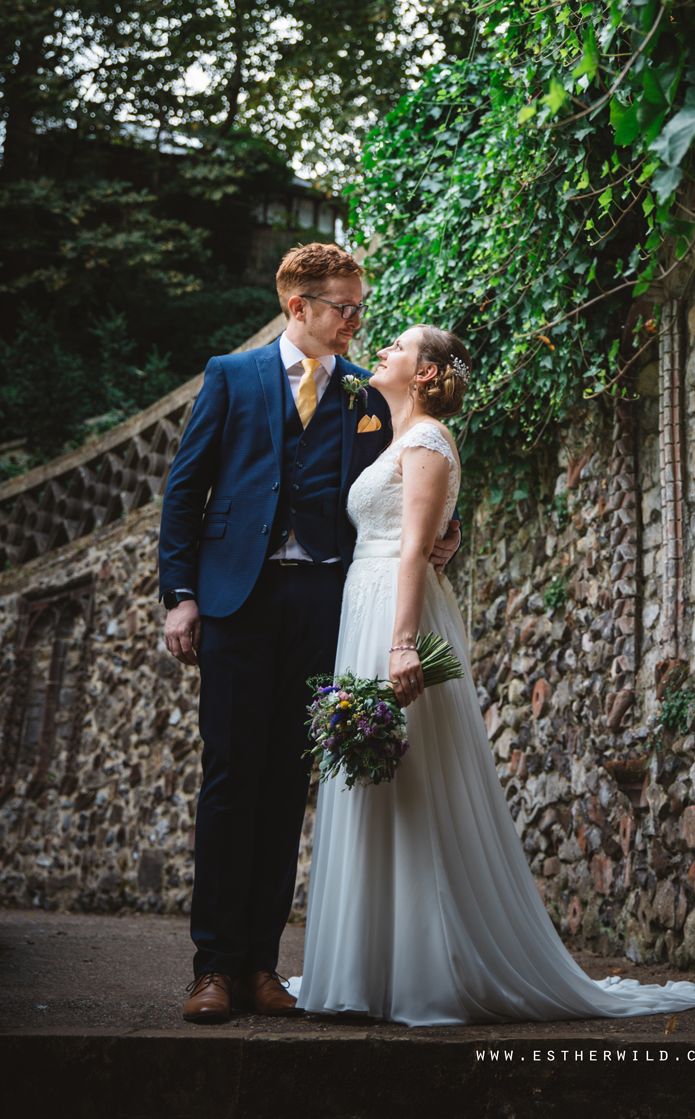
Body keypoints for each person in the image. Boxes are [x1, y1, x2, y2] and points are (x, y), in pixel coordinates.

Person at [295, 323, 695, 1024]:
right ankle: (366, 966)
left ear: (426, 373)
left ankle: (421, 970)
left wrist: (403, 644)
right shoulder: (403, 440)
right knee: (377, 776)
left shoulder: (428, 442)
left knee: (410, 779)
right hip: (369, 603)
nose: (382, 349)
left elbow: (413, 551)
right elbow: (425, 534)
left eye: (400, 347)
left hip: (394, 615)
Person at [157, 244, 461, 1023]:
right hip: (235, 602)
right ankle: (212, 969)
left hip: (323, 604)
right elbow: (186, 490)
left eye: (361, 308)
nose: (357, 322)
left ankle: (261, 964)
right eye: (344, 309)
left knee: (290, 782)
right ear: (299, 307)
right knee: (231, 778)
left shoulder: (364, 393)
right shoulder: (233, 375)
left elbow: (402, 475)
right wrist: (182, 594)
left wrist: (444, 534)